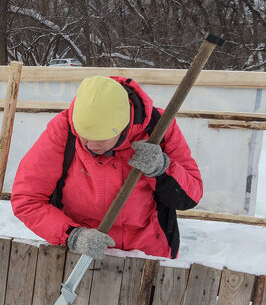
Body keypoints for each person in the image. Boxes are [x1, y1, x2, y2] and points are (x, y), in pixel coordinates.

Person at [11, 75, 202, 259]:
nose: (91, 146)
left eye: (101, 139)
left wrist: (162, 170)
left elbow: (190, 197)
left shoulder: (158, 128)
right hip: (82, 253)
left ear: (123, 127)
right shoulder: (63, 130)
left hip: (147, 254)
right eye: (84, 137)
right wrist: (72, 235)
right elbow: (27, 200)